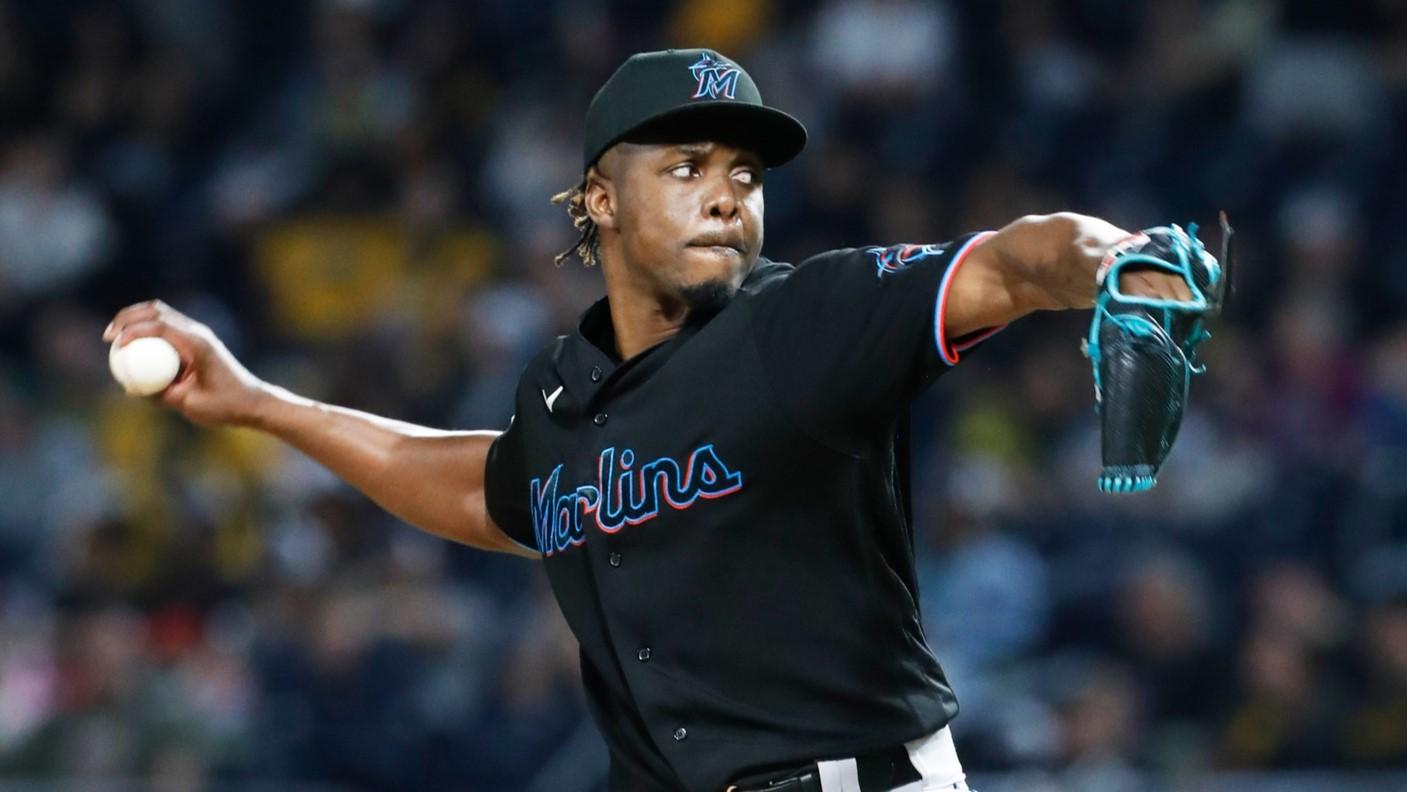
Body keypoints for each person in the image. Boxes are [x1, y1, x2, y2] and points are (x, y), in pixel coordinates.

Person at [103, 49, 1195, 792]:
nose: (728, 195)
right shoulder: (560, 390)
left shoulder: (810, 316)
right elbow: (485, 493)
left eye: (744, 172)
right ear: (600, 200)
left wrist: (1118, 263)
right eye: (685, 167)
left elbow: (1013, 260)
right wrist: (261, 404)